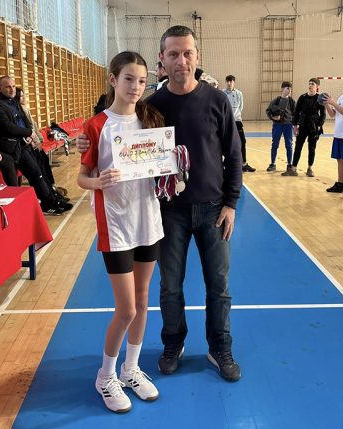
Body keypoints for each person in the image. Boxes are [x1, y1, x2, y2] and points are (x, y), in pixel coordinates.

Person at [77, 25, 243, 383]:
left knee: (218, 285)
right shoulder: (150, 107)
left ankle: (220, 347)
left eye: (188, 53)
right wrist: (85, 142)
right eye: (173, 54)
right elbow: (115, 126)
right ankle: (173, 344)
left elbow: (234, 154)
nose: (182, 60)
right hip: (169, 210)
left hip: (214, 209)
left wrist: (231, 203)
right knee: (170, 286)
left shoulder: (217, 100)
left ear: (197, 56)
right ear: (162, 60)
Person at [78, 51, 165, 413]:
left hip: (149, 221)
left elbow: (163, 161)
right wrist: (97, 182)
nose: (136, 87)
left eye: (142, 81)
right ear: (113, 80)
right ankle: (105, 376)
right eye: (129, 79)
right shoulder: (96, 125)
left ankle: (131, 369)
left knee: (143, 302)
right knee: (126, 308)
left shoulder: (151, 119)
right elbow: (82, 178)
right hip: (115, 225)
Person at [0, 76, 71, 215]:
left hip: (24, 142)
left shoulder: (13, 101)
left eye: (13, 86)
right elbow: (7, 127)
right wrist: (28, 132)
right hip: (12, 147)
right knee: (35, 173)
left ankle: (53, 199)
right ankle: (47, 204)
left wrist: (30, 136)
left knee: (41, 170)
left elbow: (24, 121)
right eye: (8, 87)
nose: (12, 89)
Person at [15, 87, 69, 201]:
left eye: (24, 96)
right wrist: (36, 141)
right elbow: (29, 128)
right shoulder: (19, 110)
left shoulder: (25, 109)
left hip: (35, 141)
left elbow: (34, 125)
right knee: (41, 167)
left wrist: (39, 139)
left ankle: (51, 187)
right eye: (21, 97)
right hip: (30, 144)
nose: (24, 98)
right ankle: (49, 190)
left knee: (44, 164)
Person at [286, 78, 326, 177]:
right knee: (298, 146)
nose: (310, 85)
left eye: (312, 84)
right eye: (309, 84)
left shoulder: (319, 98)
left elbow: (323, 114)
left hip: (313, 126)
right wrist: (295, 126)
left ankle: (310, 168)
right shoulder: (302, 97)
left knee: (312, 148)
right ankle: (293, 168)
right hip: (303, 125)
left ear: (317, 87)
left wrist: (319, 125)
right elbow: (296, 112)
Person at [223, 75, 256, 172]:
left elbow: (240, 107)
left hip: (237, 121)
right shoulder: (222, 93)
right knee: (227, 143)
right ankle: (226, 163)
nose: (229, 83)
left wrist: (236, 116)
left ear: (234, 82)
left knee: (242, 141)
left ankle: (244, 164)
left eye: (231, 81)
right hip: (226, 122)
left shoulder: (239, 93)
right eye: (227, 81)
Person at [266, 81, 296, 173]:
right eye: (287, 88)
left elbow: (295, 114)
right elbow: (268, 111)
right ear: (282, 89)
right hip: (277, 125)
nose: (289, 90)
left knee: (289, 145)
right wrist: (273, 117)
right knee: (275, 144)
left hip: (288, 125)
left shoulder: (292, 101)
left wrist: (296, 125)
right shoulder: (276, 100)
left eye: (290, 89)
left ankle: (289, 164)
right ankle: (272, 164)